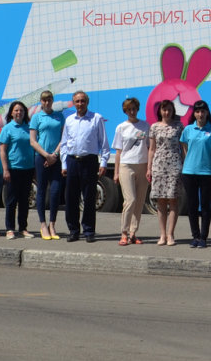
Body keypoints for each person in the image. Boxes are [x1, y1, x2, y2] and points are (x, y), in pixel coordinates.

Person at [59, 90, 108, 243]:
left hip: (89, 161)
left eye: (83, 101)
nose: (80, 104)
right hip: (73, 161)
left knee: (89, 198)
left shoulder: (96, 118)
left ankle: (88, 231)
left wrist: (104, 162)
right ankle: (73, 230)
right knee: (71, 198)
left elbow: (103, 143)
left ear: (87, 102)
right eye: (77, 101)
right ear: (73, 103)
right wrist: (64, 164)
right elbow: (64, 143)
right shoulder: (69, 120)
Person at [179, 101, 211, 248]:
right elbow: (184, 147)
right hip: (189, 172)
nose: (200, 114)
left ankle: (203, 237)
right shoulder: (188, 130)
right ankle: (195, 236)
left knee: (206, 206)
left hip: (207, 173)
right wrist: (189, 161)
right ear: (194, 113)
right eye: (197, 111)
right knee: (192, 205)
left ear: (207, 113)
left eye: (203, 111)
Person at [110, 97, 149, 245]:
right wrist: (116, 172)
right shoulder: (121, 127)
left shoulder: (145, 126)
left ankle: (133, 233)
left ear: (137, 109)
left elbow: (149, 148)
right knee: (130, 200)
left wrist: (149, 168)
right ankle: (124, 232)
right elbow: (119, 152)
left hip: (142, 165)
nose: (132, 111)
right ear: (125, 111)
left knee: (139, 202)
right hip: (126, 165)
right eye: (129, 109)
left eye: (134, 108)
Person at [147, 99, 184, 246]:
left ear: (173, 111)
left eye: (169, 109)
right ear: (160, 111)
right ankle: (162, 235)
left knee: (173, 200)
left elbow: (183, 148)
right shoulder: (154, 127)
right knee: (161, 201)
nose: (166, 112)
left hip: (174, 165)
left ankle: (171, 234)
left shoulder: (179, 126)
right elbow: (152, 149)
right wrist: (149, 168)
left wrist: (184, 165)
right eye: (164, 110)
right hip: (159, 166)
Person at [29, 90, 65, 240]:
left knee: (56, 191)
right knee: (42, 190)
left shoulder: (59, 116)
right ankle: (43, 224)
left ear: (52, 100)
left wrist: (54, 155)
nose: (47, 102)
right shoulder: (36, 117)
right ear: (41, 102)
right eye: (44, 100)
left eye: (49, 99)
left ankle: (52, 224)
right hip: (41, 158)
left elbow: (64, 138)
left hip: (56, 158)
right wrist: (46, 155)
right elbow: (33, 141)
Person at [0, 101, 36, 239]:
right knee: (11, 201)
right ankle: (10, 229)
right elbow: (2, 150)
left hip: (28, 169)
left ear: (25, 113)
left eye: (21, 110)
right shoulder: (7, 128)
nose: (18, 113)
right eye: (16, 110)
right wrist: (5, 169)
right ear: (11, 113)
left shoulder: (29, 128)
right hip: (13, 169)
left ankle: (23, 228)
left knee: (24, 201)